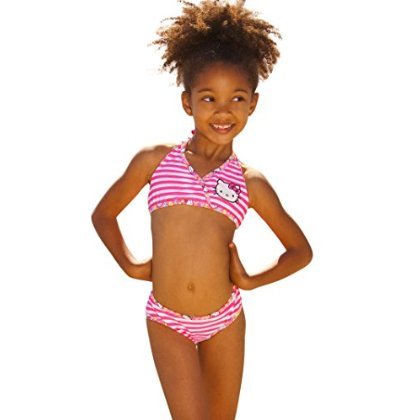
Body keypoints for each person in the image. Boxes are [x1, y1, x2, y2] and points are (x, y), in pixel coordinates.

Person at [91, 0, 313, 418]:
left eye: (237, 98)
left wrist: (250, 281)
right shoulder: (155, 161)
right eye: (209, 98)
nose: (223, 110)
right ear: (187, 102)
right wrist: (130, 264)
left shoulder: (250, 183)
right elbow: (104, 214)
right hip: (167, 319)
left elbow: (300, 251)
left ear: (253, 104)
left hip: (225, 321)